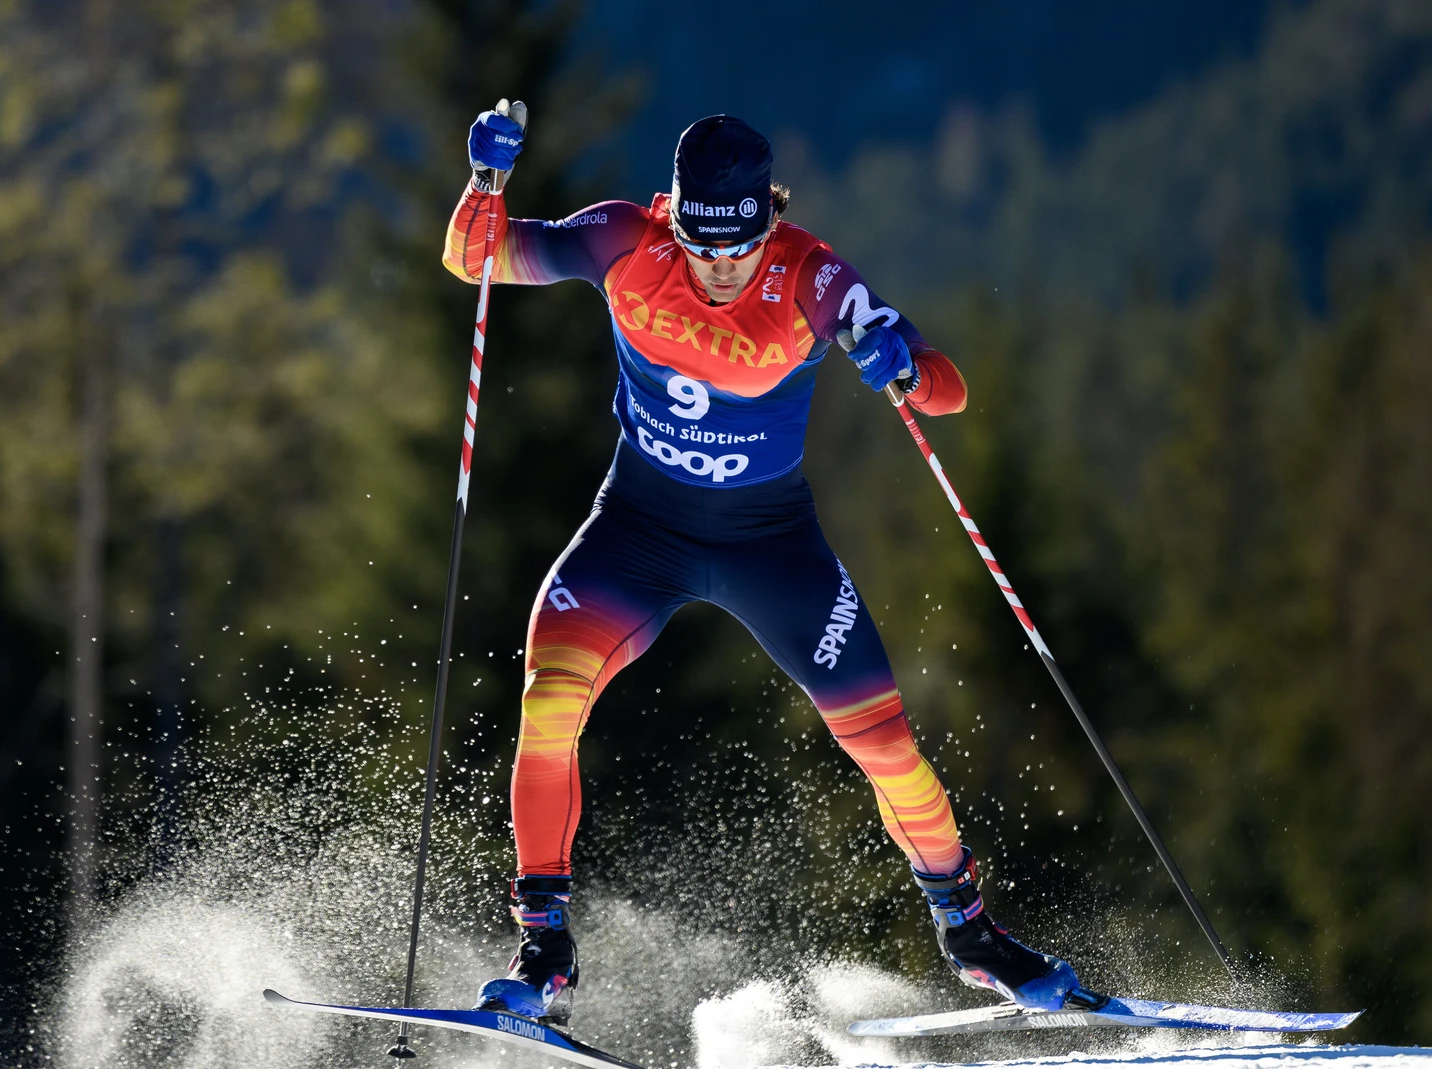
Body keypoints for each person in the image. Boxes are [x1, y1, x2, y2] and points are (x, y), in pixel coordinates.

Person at [444, 102, 1091, 1024]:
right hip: (637, 526)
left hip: (770, 544)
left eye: (737, 250)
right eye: (703, 248)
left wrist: (901, 362)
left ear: (768, 225)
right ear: (676, 214)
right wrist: (486, 184)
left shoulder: (812, 275)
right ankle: (544, 948)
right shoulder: (629, 239)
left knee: (884, 741)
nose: (717, 269)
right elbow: (477, 258)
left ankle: (972, 934)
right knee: (548, 698)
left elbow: (948, 392)